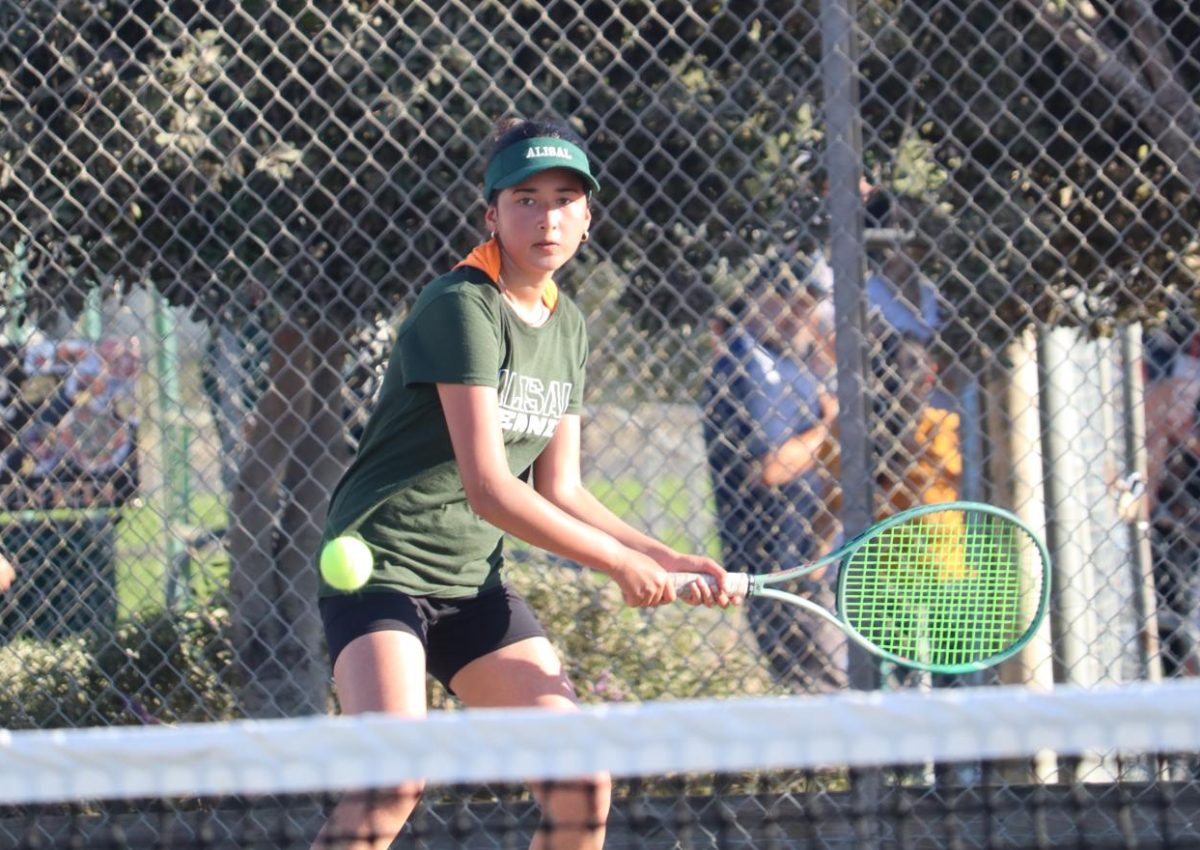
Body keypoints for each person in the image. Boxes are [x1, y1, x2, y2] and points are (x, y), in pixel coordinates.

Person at [312, 117, 735, 850]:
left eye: (565, 198)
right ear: (493, 214)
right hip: (382, 571)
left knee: (578, 781)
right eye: (526, 199)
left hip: (471, 583)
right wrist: (618, 566)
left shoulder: (566, 324)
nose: (548, 217)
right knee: (391, 785)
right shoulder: (461, 308)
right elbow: (492, 488)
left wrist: (663, 557)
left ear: (587, 216)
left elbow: (561, 487)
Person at [701, 256, 848, 694]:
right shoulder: (746, 363)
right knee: (826, 689)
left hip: (810, 557)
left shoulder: (792, 361)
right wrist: (830, 430)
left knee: (835, 686)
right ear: (759, 298)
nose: (801, 315)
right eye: (791, 303)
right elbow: (771, 467)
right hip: (776, 566)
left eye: (808, 305)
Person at [1145, 375, 1200, 677]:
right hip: (1173, 524)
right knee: (1171, 607)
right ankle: (1175, 682)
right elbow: (1156, 418)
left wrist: (1186, 436)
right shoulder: (1180, 371)